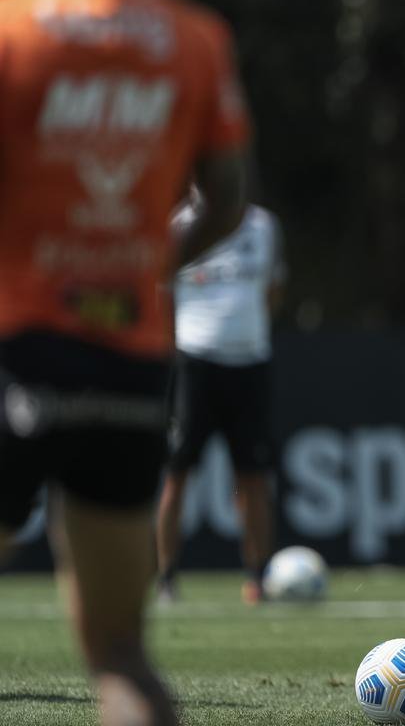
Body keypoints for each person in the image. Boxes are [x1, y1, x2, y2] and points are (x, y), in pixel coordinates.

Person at [0, 0, 251, 723]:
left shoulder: (9, 27)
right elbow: (228, 197)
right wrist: (148, 260)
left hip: (15, 343)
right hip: (131, 360)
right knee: (120, 658)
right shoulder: (194, 36)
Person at [155, 198, 285, 605]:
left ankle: (257, 578)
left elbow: (273, 288)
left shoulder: (264, 224)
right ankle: (166, 579)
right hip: (195, 363)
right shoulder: (176, 224)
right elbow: (161, 292)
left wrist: (243, 332)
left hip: (250, 362)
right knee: (177, 474)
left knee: (253, 476)